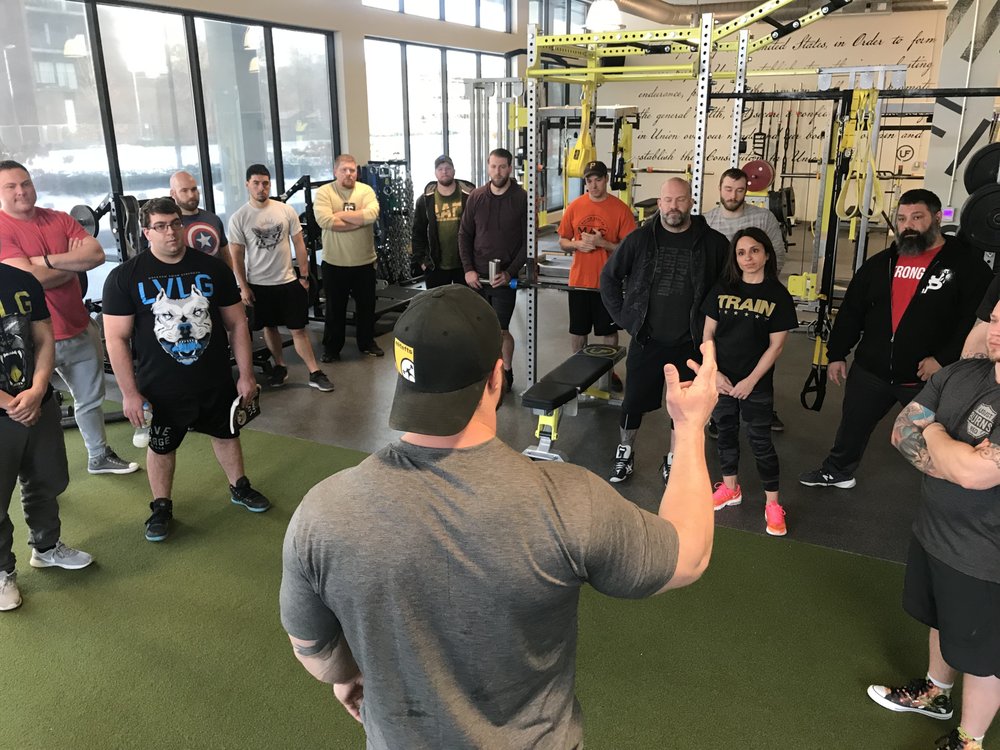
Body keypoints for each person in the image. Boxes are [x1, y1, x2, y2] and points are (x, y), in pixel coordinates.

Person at [279, 284, 718, 748]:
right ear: (496, 375)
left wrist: (347, 675)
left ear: (403, 376)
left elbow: (315, 652)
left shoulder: (322, 513)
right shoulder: (567, 500)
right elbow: (688, 555)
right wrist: (689, 427)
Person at [866, 298, 1000, 750]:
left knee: (984, 656)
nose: (996, 330)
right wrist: (955, 457)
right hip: (935, 533)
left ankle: (969, 740)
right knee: (941, 619)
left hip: (987, 554)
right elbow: (901, 431)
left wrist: (936, 431)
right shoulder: (962, 373)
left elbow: (976, 474)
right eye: (995, 320)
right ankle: (935, 694)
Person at [102, 197, 273, 542]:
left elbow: (237, 324)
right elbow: (116, 339)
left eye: (175, 224)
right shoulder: (125, 277)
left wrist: (246, 374)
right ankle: (161, 506)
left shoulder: (213, 269)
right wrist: (129, 393)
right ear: (147, 232)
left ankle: (239, 486)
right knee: (161, 445)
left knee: (227, 434)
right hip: (160, 386)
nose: (170, 233)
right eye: (161, 226)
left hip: (213, 378)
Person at [799, 189, 991, 489]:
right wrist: (836, 353)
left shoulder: (966, 266)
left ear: (937, 218)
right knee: (852, 426)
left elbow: (974, 322)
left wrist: (943, 360)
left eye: (917, 217)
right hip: (871, 369)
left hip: (925, 377)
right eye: (901, 219)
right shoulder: (881, 263)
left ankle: (946, 486)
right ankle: (838, 471)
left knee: (937, 434)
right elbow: (852, 310)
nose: (907, 225)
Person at [0, 159, 138, 475]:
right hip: (29, 339)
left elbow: (95, 255)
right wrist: (70, 266)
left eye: (25, 183)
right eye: (11, 186)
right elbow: (27, 280)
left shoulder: (59, 219)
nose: (21, 191)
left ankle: (98, 457)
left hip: (77, 326)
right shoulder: (2, 228)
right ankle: (34, 476)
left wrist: (43, 261)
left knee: (90, 399)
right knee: (29, 407)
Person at [601, 177, 728, 485]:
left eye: (680, 200)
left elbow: (726, 287)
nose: (674, 207)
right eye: (668, 200)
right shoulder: (639, 239)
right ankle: (625, 452)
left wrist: (713, 330)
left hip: (690, 341)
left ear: (691, 202)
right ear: (659, 204)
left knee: (682, 407)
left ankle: (674, 458)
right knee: (633, 402)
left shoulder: (713, 243)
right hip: (647, 338)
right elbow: (609, 278)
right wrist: (626, 318)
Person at [0, 262, 93, 611]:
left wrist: (38, 390)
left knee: (47, 480)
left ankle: (46, 547)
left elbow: (43, 338)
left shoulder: (21, 281)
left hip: (38, 404)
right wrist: (11, 404)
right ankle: (3, 571)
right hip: (9, 410)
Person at [702, 228, 797, 536]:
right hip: (722, 379)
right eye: (741, 253)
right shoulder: (722, 288)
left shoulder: (777, 295)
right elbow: (707, 334)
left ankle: (773, 504)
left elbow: (776, 346)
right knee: (725, 432)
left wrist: (751, 381)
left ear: (766, 254)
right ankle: (731, 488)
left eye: (754, 250)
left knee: (760, 442)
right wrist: (713, 371)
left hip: (755, 383)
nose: (748, 258)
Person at [227, 164, 333, 392]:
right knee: (270, 327)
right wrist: (243, 287)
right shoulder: (239, 218)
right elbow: (236, 256)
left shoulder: (285, 211)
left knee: (298, 330)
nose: (261, 188)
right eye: (256, 183)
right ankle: (280, 366)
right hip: (258, 285)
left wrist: (304, 276)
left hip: (287, 281)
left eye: (265, 183)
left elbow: (299, 244)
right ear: (247, 185)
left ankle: (314, 372)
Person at [704, 167, 788, 434]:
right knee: (721, 353)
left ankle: (763, 409)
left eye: (739, 190)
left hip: (757, 300)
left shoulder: (763, 218)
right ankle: (719, 413)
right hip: (723, 300)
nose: (733, 195)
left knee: (762, 352)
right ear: (720, 189)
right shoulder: (707, 221)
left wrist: (761, 290)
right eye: (728, 189)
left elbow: (777, 254)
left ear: (747, 191)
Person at [557, 160, 636, 386]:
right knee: (578, 330)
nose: (593, 185)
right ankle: (576, 372)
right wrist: (576, 245)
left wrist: (604, 243)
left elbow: (631, 249)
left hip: (607, 283)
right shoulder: (575, 206)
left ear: (606, 180)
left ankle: (608, 373)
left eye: (598, 180)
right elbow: (562, 240)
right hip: (579, 281)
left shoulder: (620, 210)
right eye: (589, 181)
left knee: (607, 332)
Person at [459, 147, 528, 392]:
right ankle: (484, 374)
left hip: (503, 278)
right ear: (488, 167)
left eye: (502, 167)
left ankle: (505, 372)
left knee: (500, 330)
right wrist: (468, 269)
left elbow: (527, 243)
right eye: (493, 166)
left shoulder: (522, 198)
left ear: (509, 168)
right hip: (477, 278)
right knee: (479, 330)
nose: (497, 171)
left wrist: (510, 272)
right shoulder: (476, 197)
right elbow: (464, 234)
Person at [313, 154, 383, 360]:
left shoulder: (365, 191)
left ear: (357, 172)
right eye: (344, 170)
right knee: (335, 308)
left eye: (352, 170)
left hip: (364, 262)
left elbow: (372, 215)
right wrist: (358, 220)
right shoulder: (325, 192)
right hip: (335, 263)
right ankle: (332, 349)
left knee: (366, 307)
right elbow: (325, 221)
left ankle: (367, 343)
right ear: (335, 171)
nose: (349, 173)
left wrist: (340, 215)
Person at [411, 155, 476, 289]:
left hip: (465, 265)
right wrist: (422, 261)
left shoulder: (469, 196)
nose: (444, 171)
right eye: (440, 169)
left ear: (454, 171)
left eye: (448, 168)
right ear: (435, 173)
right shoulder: (425, 200)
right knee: (437, 301)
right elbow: (418, 232)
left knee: (465, 301)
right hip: (435, 265)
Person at [169, 170, 232, 267]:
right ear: (173, 194)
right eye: (184, 191)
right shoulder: (168, 225)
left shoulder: (213, 219)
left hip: (216, 275)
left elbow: (226, 255)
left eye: (194, 189)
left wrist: (229, 275)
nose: (191, 195)